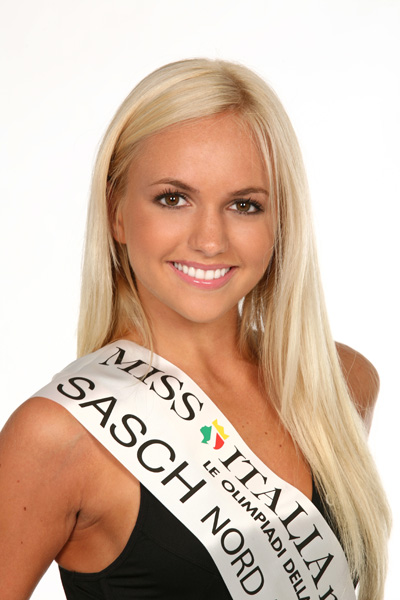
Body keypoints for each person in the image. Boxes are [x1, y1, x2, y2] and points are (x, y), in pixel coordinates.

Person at [0, 58, 391, 600]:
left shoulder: (336, 383)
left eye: (244, 205)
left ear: (281, 222)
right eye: (173, 199)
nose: (210, 240)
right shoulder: (60, 436)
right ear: (116, 212)